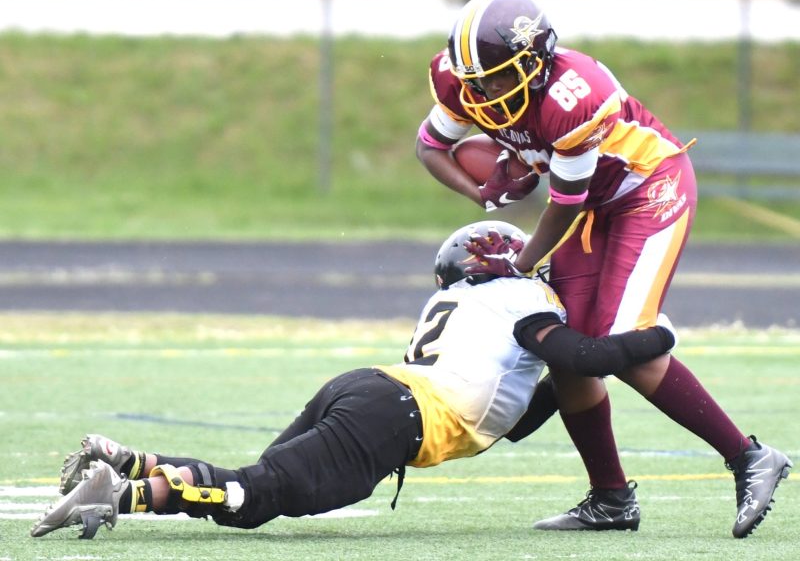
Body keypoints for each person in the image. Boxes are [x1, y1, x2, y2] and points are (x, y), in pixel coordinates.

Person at [416, 0, 792, 538]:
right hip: (593, 202)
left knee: (615, 341)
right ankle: (611, 498)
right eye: (477, 82)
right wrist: (483, 195)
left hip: (647, 191)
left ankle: (749, 457)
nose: (487, 92)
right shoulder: (462, 81)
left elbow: (564, 204)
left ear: (536, 61)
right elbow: (429, 148)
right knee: (573, 351)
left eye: (499, 77)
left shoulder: (575, 95)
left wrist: (521, 264)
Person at [30, 220, 678, 539]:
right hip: (393, 416)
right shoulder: (516, 302)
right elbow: (591, 358)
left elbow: (515, 418)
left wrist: (572, 379)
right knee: (253, 498)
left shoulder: (466, 306)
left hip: (368, 389)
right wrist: (659, 337)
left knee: (255, 483)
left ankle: (130, 461)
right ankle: (117, 494)